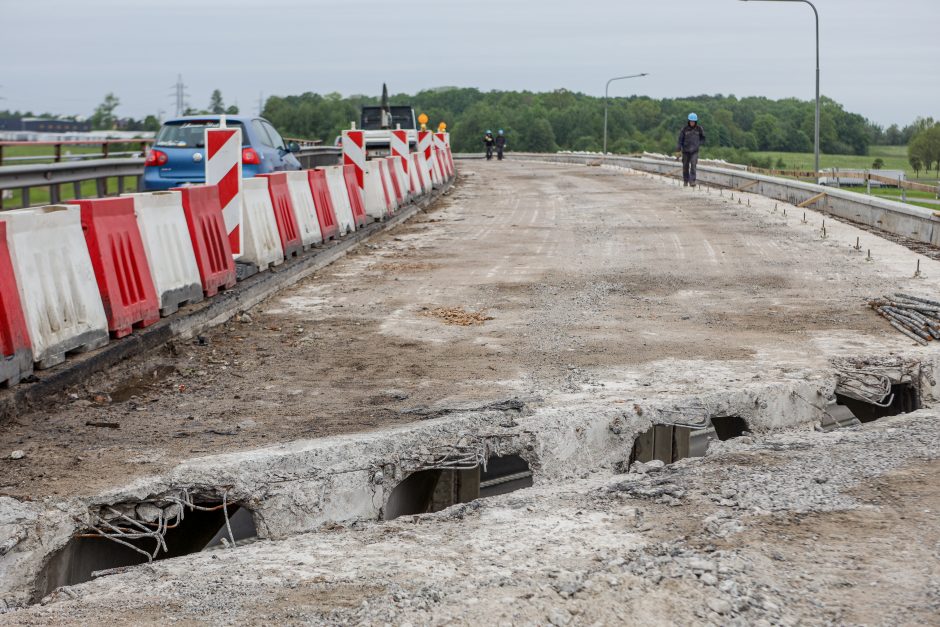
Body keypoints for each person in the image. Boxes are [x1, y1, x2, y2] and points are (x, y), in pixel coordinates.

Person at [676, 113, 705, 187]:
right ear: (689, 121)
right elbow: (680, 140)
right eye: (691, 121)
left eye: (693, 121)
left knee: (693, 165)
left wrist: (699, 143)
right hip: (685, 151)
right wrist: (678, 150)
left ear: (696, 122)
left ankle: (692, 181)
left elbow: (703, 138)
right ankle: (686, 180)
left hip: (694, 151)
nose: (692, 123)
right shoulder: (684, 129)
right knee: (685, 166)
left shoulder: (699, 129)